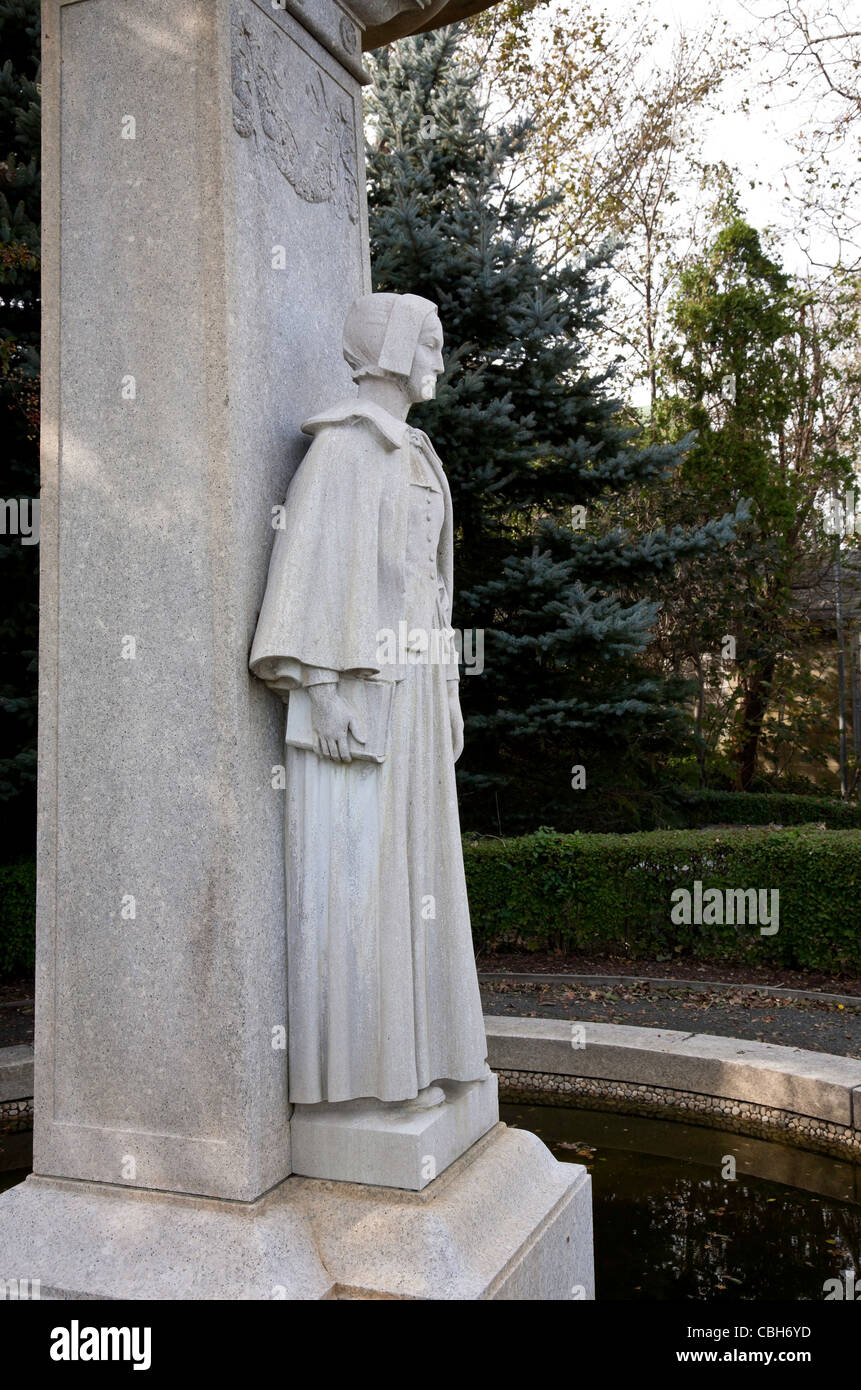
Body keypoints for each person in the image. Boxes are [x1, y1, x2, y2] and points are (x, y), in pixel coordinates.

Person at [250, 292, 489, 1111]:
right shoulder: (343, 454)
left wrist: (447, 688)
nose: (438, 361)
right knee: (363, 877)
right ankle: (369, 1080)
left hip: (416, 689)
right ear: (389, 347)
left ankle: (422, 1057)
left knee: (419, 867)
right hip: (359, 696)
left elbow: (429, 590)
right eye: (429, 342)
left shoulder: (417, 455)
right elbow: (304, 583)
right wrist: (320, 690)